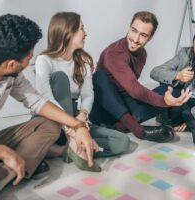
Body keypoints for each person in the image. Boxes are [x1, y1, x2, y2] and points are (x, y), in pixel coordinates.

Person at [0, 14, 97, 200]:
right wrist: (2, 152)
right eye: (29, 54)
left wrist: (78, 126)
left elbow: (37, 101)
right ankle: (16, 166)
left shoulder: (10, 73)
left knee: (49, 124)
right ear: (11, 64)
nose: (31, 58)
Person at [35, 12, 130, 172]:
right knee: (60, 78)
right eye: (81, 28)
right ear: (68, 32)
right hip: (51, 118)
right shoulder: (44, 60)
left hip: (76, 117)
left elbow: (87, 94)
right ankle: (73, 143)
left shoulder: (84, 61)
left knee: (122, 141)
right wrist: (72, 128)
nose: (85, 33)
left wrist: (82, 116)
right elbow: (45, 96)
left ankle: (68, 149)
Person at [89, 11, 191, 143]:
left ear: (150, 37)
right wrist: (164, 102)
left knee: (173, 90)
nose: (136, 39)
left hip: (124, 104)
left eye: (143, 35)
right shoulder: (114, 52)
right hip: (103, 109)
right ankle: (138, 129)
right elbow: (134, 89)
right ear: (129, 28)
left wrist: (168, 99)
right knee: (99, 77)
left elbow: (132, 90)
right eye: (133, 31)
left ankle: (121, 125)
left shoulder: (142, 54)